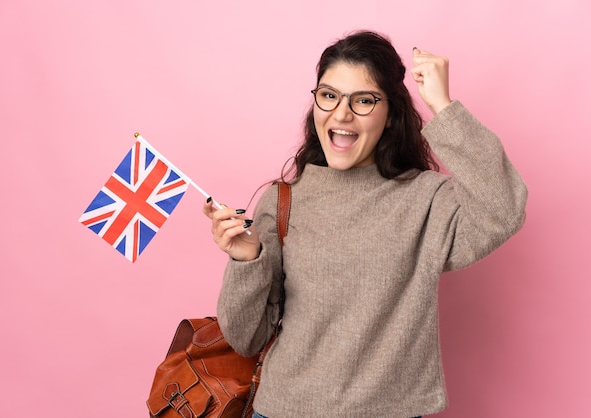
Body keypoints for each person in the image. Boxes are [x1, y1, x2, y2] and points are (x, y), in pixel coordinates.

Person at [203, 30, 527, 417]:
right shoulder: (284, 199)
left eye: (364, 100)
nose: (341, 114)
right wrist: (247, 261)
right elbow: (246, 339)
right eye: (329, 95)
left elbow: (504, 208)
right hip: (283, 410)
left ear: (390, 115)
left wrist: (443, 105)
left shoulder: (426, 199)